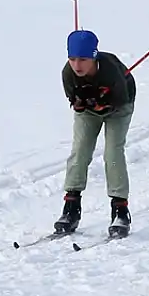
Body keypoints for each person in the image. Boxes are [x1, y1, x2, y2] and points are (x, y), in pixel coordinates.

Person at [56, 29, 136, 238]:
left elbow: (120, 99)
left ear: (93, 56)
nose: (77, 65)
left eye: (82, 59)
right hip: (90, 113)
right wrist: (81, 103)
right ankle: (71, 207)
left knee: (113, 153)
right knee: (79, 152)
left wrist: (102, 103)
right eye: (72, 59)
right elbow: (75, 103)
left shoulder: (110, 71)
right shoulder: (68, 73)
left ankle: (120, 210)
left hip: (120, 107)